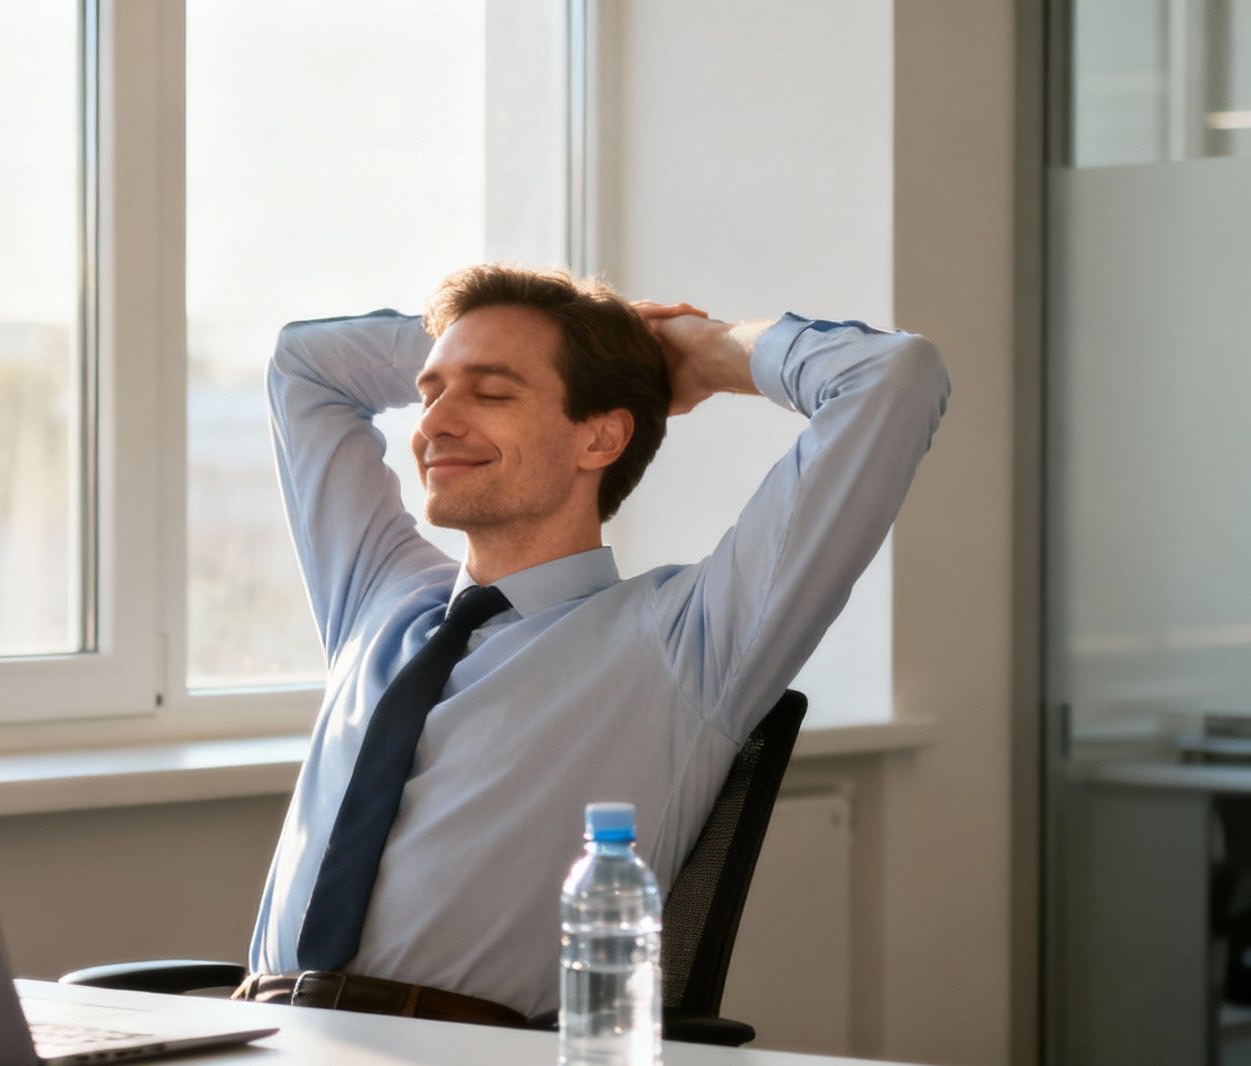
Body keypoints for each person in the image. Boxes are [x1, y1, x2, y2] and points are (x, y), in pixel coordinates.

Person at [236, 263, 950, 1024]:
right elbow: (304, 366)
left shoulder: (689, 639)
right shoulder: (378, 600)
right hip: (263, 1038)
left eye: (491, 391)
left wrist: (700, 351)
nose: (435, 423)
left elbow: (892, 378)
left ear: (601, 436)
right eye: (431, 389)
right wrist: (547, 333)